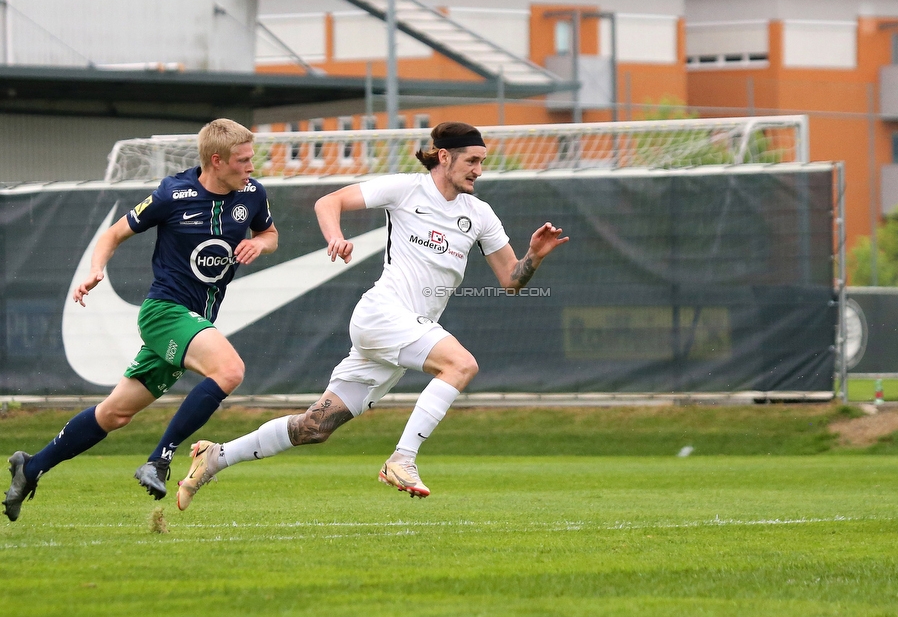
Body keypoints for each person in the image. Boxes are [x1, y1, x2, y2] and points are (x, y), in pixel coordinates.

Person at [173, 121, 568, 510]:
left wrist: (533, 256)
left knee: (315, 426)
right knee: (461, 365)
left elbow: (510, 280)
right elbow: (328, 202)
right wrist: (335, 237)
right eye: (472, 161)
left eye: (482, 162)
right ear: (444, 157)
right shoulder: (405, 189)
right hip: (383, 314)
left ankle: (216, 457)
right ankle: (402, 459)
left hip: (402, 332)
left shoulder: (480, 214)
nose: (479, 170)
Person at [2, 118, 279, 521]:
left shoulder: (252, 194)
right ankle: (160, 460)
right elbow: (112, 235)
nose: (251, 166)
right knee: (230, 370)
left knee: (115, 413)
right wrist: (96, 270)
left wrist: (258, 243)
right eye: (243, 160)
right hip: (164, 313)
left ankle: (30, 467)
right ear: (216, 161)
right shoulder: (173, 193)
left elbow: (270, 235)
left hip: (193, 320)